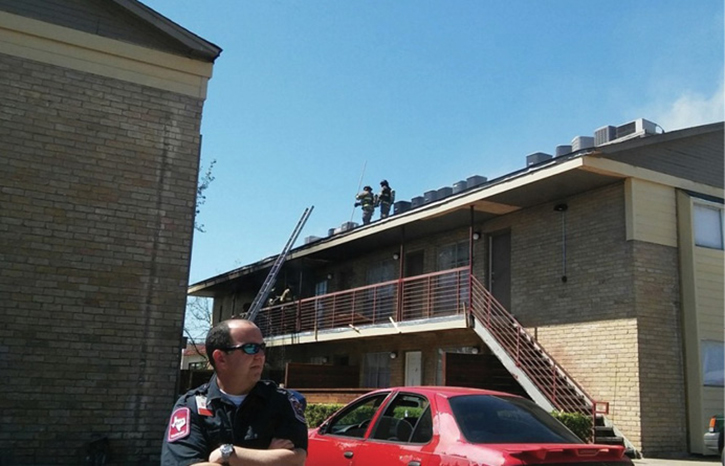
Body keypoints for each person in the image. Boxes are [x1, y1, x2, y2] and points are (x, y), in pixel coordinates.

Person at [161, 319, 307, 466]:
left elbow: (296, 458)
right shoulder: (191, 406)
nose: (260, 356)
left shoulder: (281, 401)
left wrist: (228, 454)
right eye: (250, 348)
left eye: (262, 348)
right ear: (221, 358)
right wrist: (265, 459)